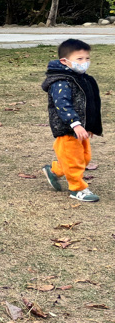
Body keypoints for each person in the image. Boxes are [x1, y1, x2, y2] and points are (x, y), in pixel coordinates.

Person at [42, 39, 102, 202]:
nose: (84, 62)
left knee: (84, 158)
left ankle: (54, 171)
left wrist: (90, 125)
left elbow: (90, 104)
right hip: (68, 129)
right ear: (64, 61)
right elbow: (62, 105)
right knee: (74, 160)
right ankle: (77, 189)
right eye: (79, 59)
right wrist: (75, 123)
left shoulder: (81, 78)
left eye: (87, 58)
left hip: (81, 129)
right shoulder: (61, 81)